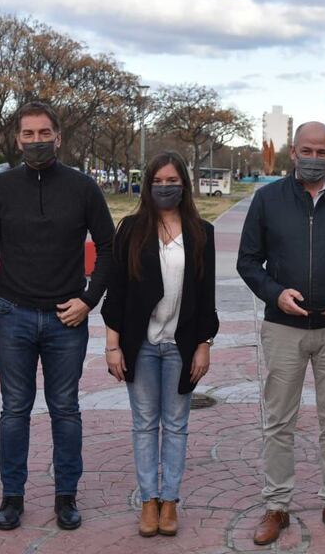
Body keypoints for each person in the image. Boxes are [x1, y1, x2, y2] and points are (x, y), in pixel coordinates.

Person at [0, 101, 115, 531]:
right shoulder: (0, 188)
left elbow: (109, 247)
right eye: (28, 134)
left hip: (65, 318)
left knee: (65, 409)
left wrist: (89, 300)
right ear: (17, 139)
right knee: (14, 409)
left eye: (44, 132)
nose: (36, 140)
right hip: (11, 313)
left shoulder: (83, 187)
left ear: (58, 136)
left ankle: (65, 496)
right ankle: (12, 496)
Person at [237, 121, 325, 545]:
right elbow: (247, 261)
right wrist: (275, 294)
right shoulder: (267, 199)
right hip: (283, 328)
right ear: (292, 152)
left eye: (322, 151)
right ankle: (276, 505)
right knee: (279, 421)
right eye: (306, 150)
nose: (314, 158)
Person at [101, 151, 219, 538]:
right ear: (147, 184)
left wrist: (204, 344)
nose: (165, 187)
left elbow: (206, 296)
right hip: (142, 344)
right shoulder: (131, 229)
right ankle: (148, 501)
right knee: (144, 424)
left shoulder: (202, 231)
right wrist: (112, 345)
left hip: (182, 345)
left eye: (172, 180)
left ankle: (170, 501)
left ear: (183, 184)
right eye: (158, 180)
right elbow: (115, 292)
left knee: (177, 425)